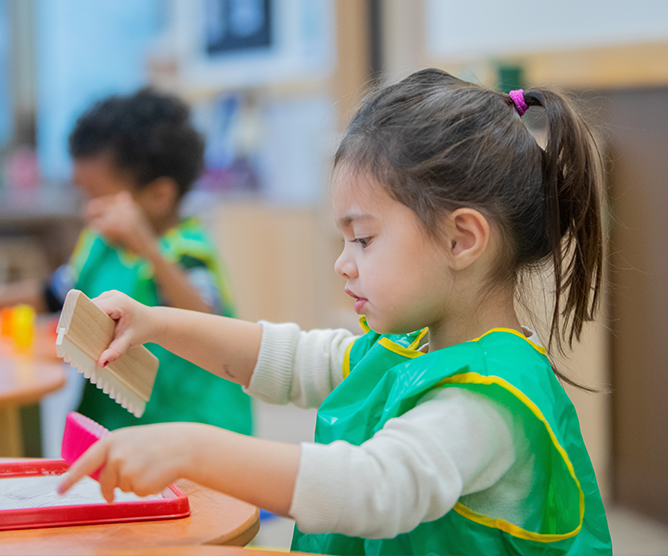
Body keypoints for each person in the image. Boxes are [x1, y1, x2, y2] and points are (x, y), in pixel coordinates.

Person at [57, 69, 612, 555]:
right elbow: (288, 358)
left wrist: (189, 447)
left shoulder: (489, 402)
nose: (344, 265)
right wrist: (155, 322)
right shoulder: (410, 345)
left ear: (461, 239)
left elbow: (371, 488)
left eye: (364, 239)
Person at [0, 89, 252, 435]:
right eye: (83, 195)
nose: (88, 209)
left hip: (191, 428)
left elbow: (207, 322)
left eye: (99, 197)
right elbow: (52, 294)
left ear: (160, 196)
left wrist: (148, 248)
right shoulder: (101, 244)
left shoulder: (186, 252)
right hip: (117, 423)